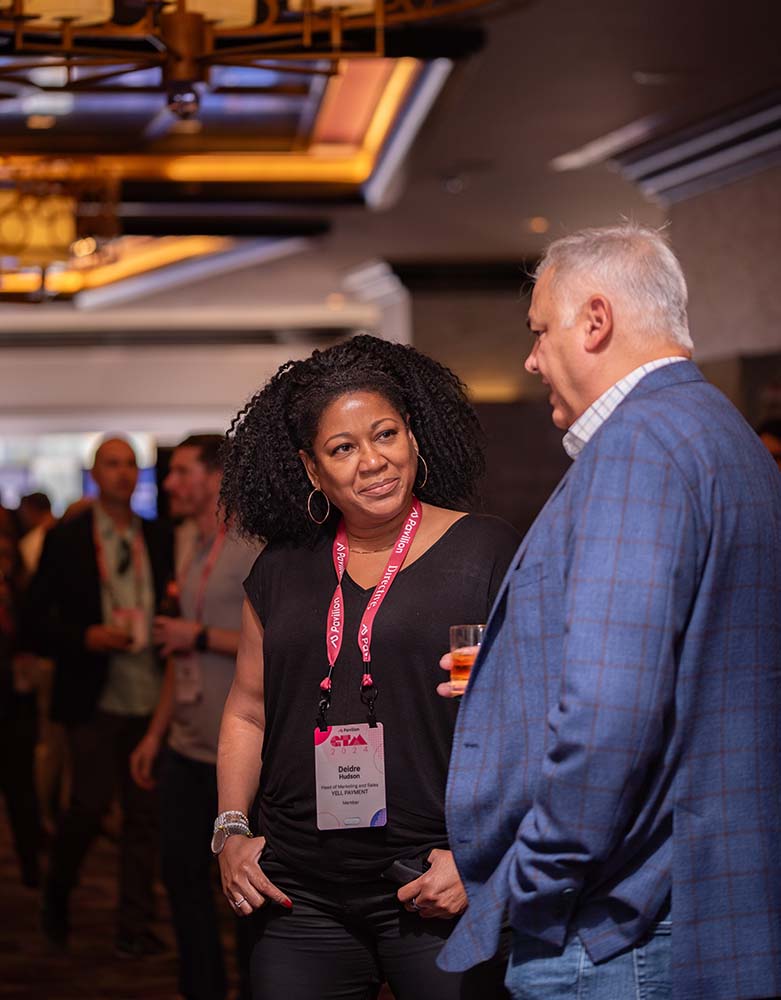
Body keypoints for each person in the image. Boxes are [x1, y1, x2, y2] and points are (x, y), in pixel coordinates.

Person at [437, 224, 781, 1000]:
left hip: (616, 922)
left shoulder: (640, 447)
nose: (530, 359)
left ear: (593, 322)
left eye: (538, 331)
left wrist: (537, 876)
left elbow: (610, 712)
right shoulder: (718, 431)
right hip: (695, 895)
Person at [215, 335, 520, 1000]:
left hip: (435, 882)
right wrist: (230, 830)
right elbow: (245, 709)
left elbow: (534, 720)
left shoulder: (485, 551)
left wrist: (484, 861)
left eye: (385, 434)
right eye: (342, 448)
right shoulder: (280, 568)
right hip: (298, 892)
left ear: (413, 435)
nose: (372, 461)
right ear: (311, 468)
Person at [24, 437, 173, 955]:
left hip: (151, 697)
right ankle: (56, 898)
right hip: (93, 696)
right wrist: (84, 636)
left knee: (143, 821)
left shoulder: (159, 536)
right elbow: (33, 623)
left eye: (131, 464)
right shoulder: (67, 540)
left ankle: (134, 927)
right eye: (112, 464)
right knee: (86, 809)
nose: (123, 473)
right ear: (94, 473)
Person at [129, 434, 260, 1000]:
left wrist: (200, 635)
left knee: (248, 890)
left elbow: (278, 649)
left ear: (216, 477)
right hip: (186, 745)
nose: (170, 484)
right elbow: (176, 656)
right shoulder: (189, 541)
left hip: (238, 755)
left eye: (182, 472)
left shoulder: (255, 544)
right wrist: (155, 734)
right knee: (181, 881)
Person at [0, 529, 41, 889]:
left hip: (15, 709)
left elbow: (36, 635)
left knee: (22, 793)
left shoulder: (22, 591)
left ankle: (32, 871)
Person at [18, 492, 57, 579]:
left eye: (24, 511)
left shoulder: (29, 544)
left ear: (31, 510)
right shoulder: (69, 530)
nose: (22, 517)